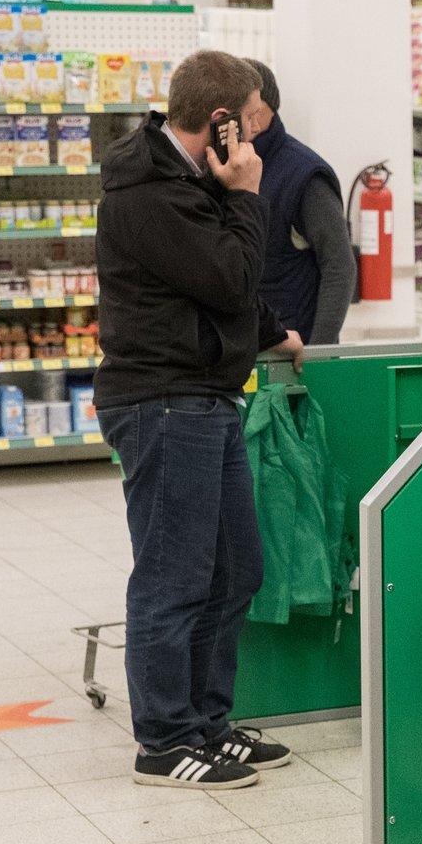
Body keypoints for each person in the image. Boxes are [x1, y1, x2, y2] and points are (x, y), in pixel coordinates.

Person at [95, 50, 305, 790]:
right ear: (219, 121)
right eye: (248, 125)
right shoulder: (149, 190)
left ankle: (208, 721)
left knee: (234, 568)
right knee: (174, 574)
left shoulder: (188, 180)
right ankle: (163, 738)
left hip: (204, 394)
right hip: (163, 399)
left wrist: (273, 330)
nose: (255, 144)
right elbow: (228, 274)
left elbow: (231, 288)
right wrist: (247, 193)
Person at [239, 58, 355, 345]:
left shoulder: (304, 176)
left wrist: (320, 353)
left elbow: (339, 265)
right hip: (239, 345)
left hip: (292, 349)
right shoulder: (223, 164)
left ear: (264, 110)